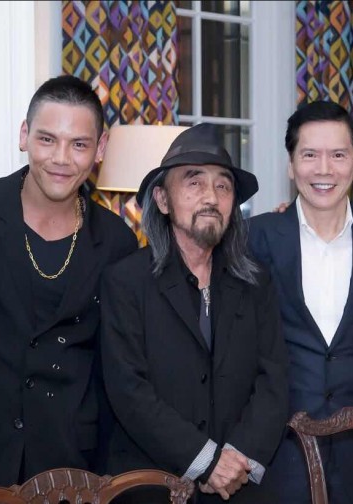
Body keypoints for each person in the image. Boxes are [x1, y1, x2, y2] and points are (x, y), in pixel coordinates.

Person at [0, 75, 138, 485]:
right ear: (24, 136)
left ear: (100, 149)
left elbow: (117, 365)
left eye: (79, 144)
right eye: (48, 139)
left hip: (72, 460)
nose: (61, 158)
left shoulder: (117, 241)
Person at [100, 123, 289, 503]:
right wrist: (205, 462)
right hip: (153, 483)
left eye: (223, 186)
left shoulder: (255, 282)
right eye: (194, 182)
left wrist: (236, 459)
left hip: (239, 486)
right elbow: (129, 391)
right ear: (162, 200)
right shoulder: (126, 281)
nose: (211, 197)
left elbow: (274, 379)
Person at [247, 100, 353, 503]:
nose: (324, 169)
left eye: (338, 155)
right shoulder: (253, 239)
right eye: (309, 155)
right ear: (290, 165)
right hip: (279, 453)